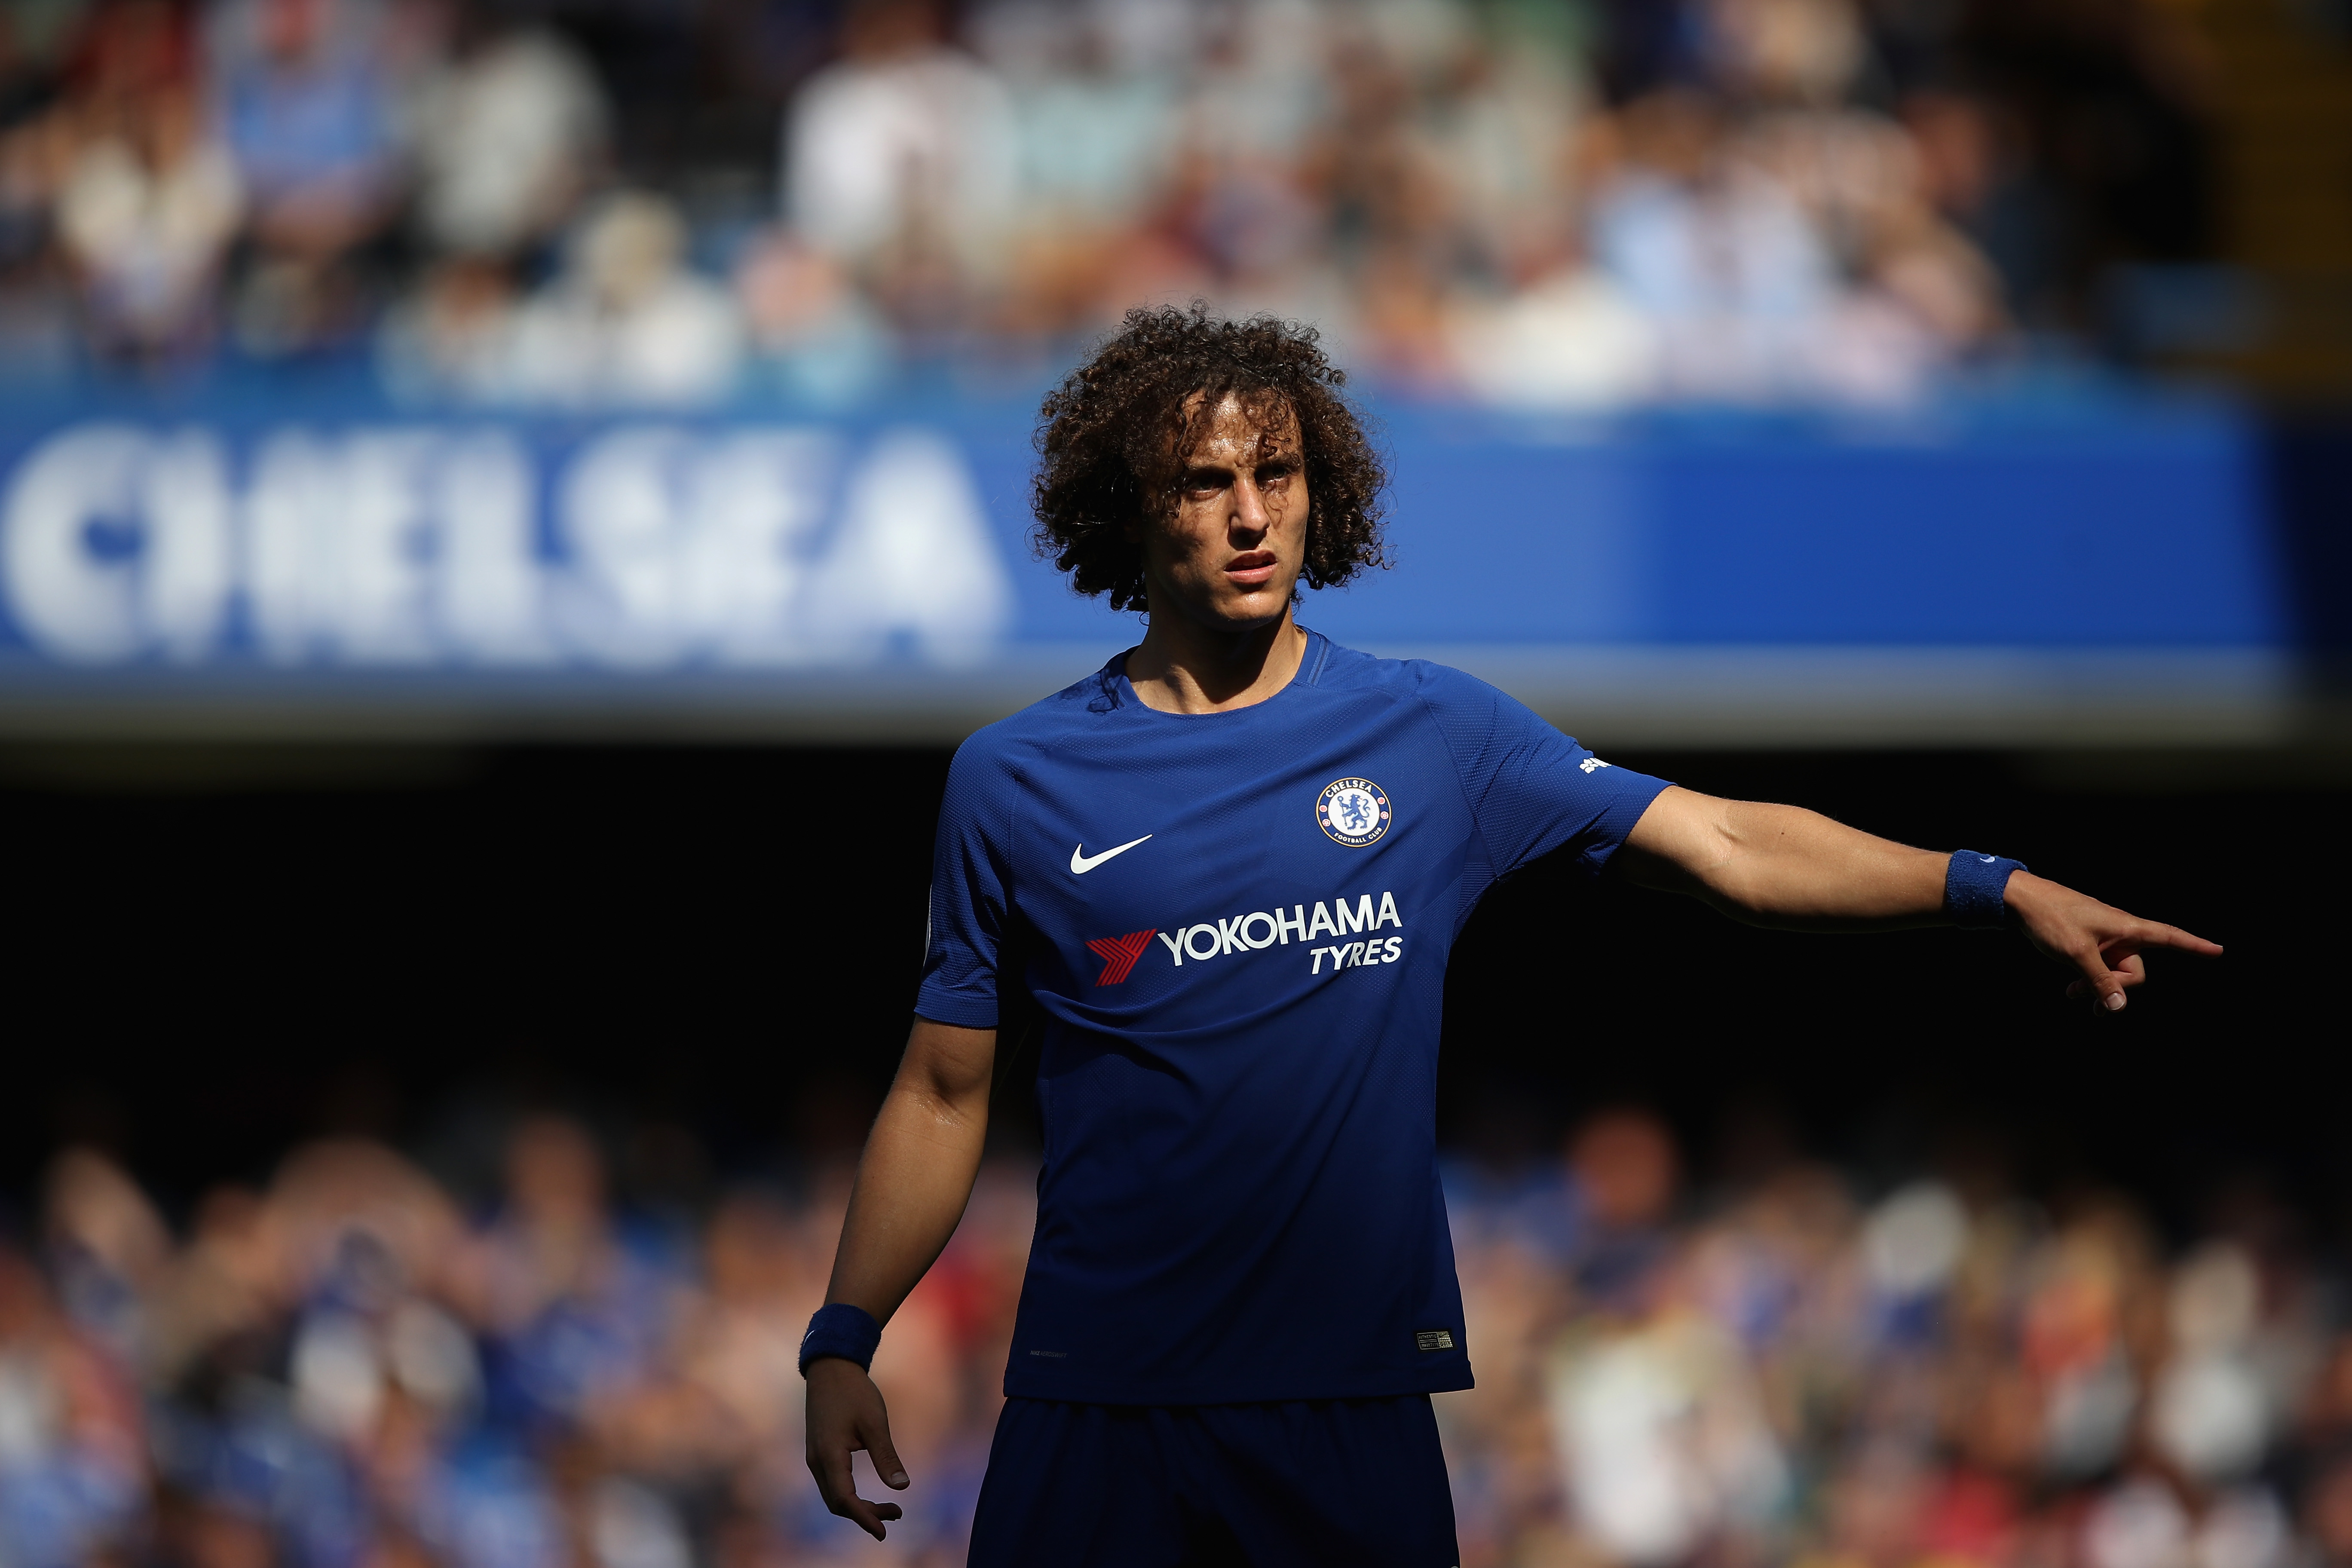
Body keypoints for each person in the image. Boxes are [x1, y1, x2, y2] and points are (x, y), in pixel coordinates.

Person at [799, 304, 2220, 1566]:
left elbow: (1724, 844)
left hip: (1347, 1402)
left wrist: (1990, 883)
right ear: (1130, 512)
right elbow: (942, 1090)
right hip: (1096, 1401)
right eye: (1205, 482)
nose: (1249, 515)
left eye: (1276, 476)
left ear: (1320, 493)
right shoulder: (1014, 778)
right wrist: (846, 1336)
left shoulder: (1435, 733)